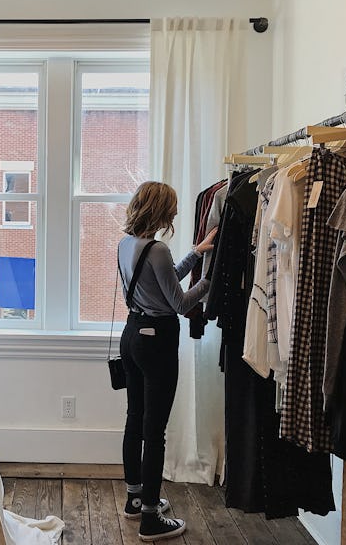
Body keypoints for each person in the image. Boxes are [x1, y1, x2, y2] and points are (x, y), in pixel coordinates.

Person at [117, 181, 215, 541]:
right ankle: (150, 518)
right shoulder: (157, 249)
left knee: (135, 419)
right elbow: (180, 302)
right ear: (160, 210)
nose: (175, 213)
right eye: (171, 208)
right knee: (154, 430)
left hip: (132, 335)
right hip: (156, 342)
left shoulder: (126, 244)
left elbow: (163, 280)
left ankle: (135, 499)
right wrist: (211, 279)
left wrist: (195, 253)